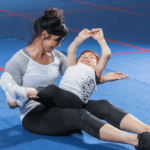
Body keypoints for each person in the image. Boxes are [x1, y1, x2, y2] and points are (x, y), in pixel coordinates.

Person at [0, 8, 150, 150]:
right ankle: (138, 141)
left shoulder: (57, 57)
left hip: (55, 103)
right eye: (57, 40)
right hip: (34, 116)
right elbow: (11, 103)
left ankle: (148, 131)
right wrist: (28, 95)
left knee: (103, 105)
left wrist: (100, 79)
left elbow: (75, 79)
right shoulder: (18, 61)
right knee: (80, 115)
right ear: (44, 34)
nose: (59, 45)